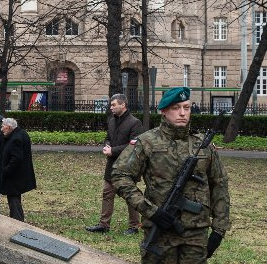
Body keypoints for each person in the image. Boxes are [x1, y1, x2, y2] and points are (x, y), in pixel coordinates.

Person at [111, 86, 230, 264]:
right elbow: (120, 175)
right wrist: (151, 211)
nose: (182, 113)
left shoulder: (203, 147)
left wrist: (219, 230)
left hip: (196, 234)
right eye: (176, 108)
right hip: (160, 232)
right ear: (164, 111)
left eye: (186, 107)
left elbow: (219, 185)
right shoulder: (147, 142)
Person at [86, 94, 144, 234]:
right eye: (111, 105)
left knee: (130, 196)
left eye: (114, 105)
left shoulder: (134, 123)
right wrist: (107, 146)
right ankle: (103, 225)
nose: (111, 107)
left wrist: (113, 150)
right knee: (107, 193)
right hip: (112, 165)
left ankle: (134, 226)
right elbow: (108, 138)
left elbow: (134, 146)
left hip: (127, 166)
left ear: (123, 105)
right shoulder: (112, 121)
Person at [0, 117, 36, 222]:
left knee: (14, 200)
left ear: (9, 127)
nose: (1, 129)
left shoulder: (16, 138)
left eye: (3, 127)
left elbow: (16, 159)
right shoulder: (21, 133)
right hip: (19, 175)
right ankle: (16, 220)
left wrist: (5, 171)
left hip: (15, 176)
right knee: (14, 199)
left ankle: (17, 223)